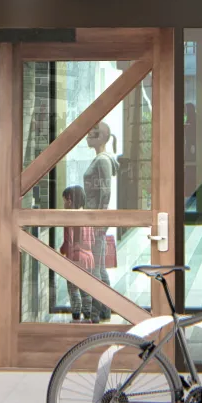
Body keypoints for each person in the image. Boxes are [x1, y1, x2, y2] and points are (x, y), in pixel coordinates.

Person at [84, 121, 118, 322]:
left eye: (91, 134)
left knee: (95, 268)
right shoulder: (100, 159)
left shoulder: (103, 161)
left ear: (100, 137)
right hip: (94, 219)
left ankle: (96, 314)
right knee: (100, 266)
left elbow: (106, 193)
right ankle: (106, 310)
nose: (87, 137)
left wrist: (100, 220)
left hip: (97, 221)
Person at [59, 186, 94, 323]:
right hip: (88, 258)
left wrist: (60, 251)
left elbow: (68, 243)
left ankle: (75, 318)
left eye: (64, 201)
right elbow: (92, 240)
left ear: (69, 200)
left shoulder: (70, 219)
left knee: (74, 290)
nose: (63, 205)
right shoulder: (88, 216)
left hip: (75, 258)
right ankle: (87, 318)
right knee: (86, 290)